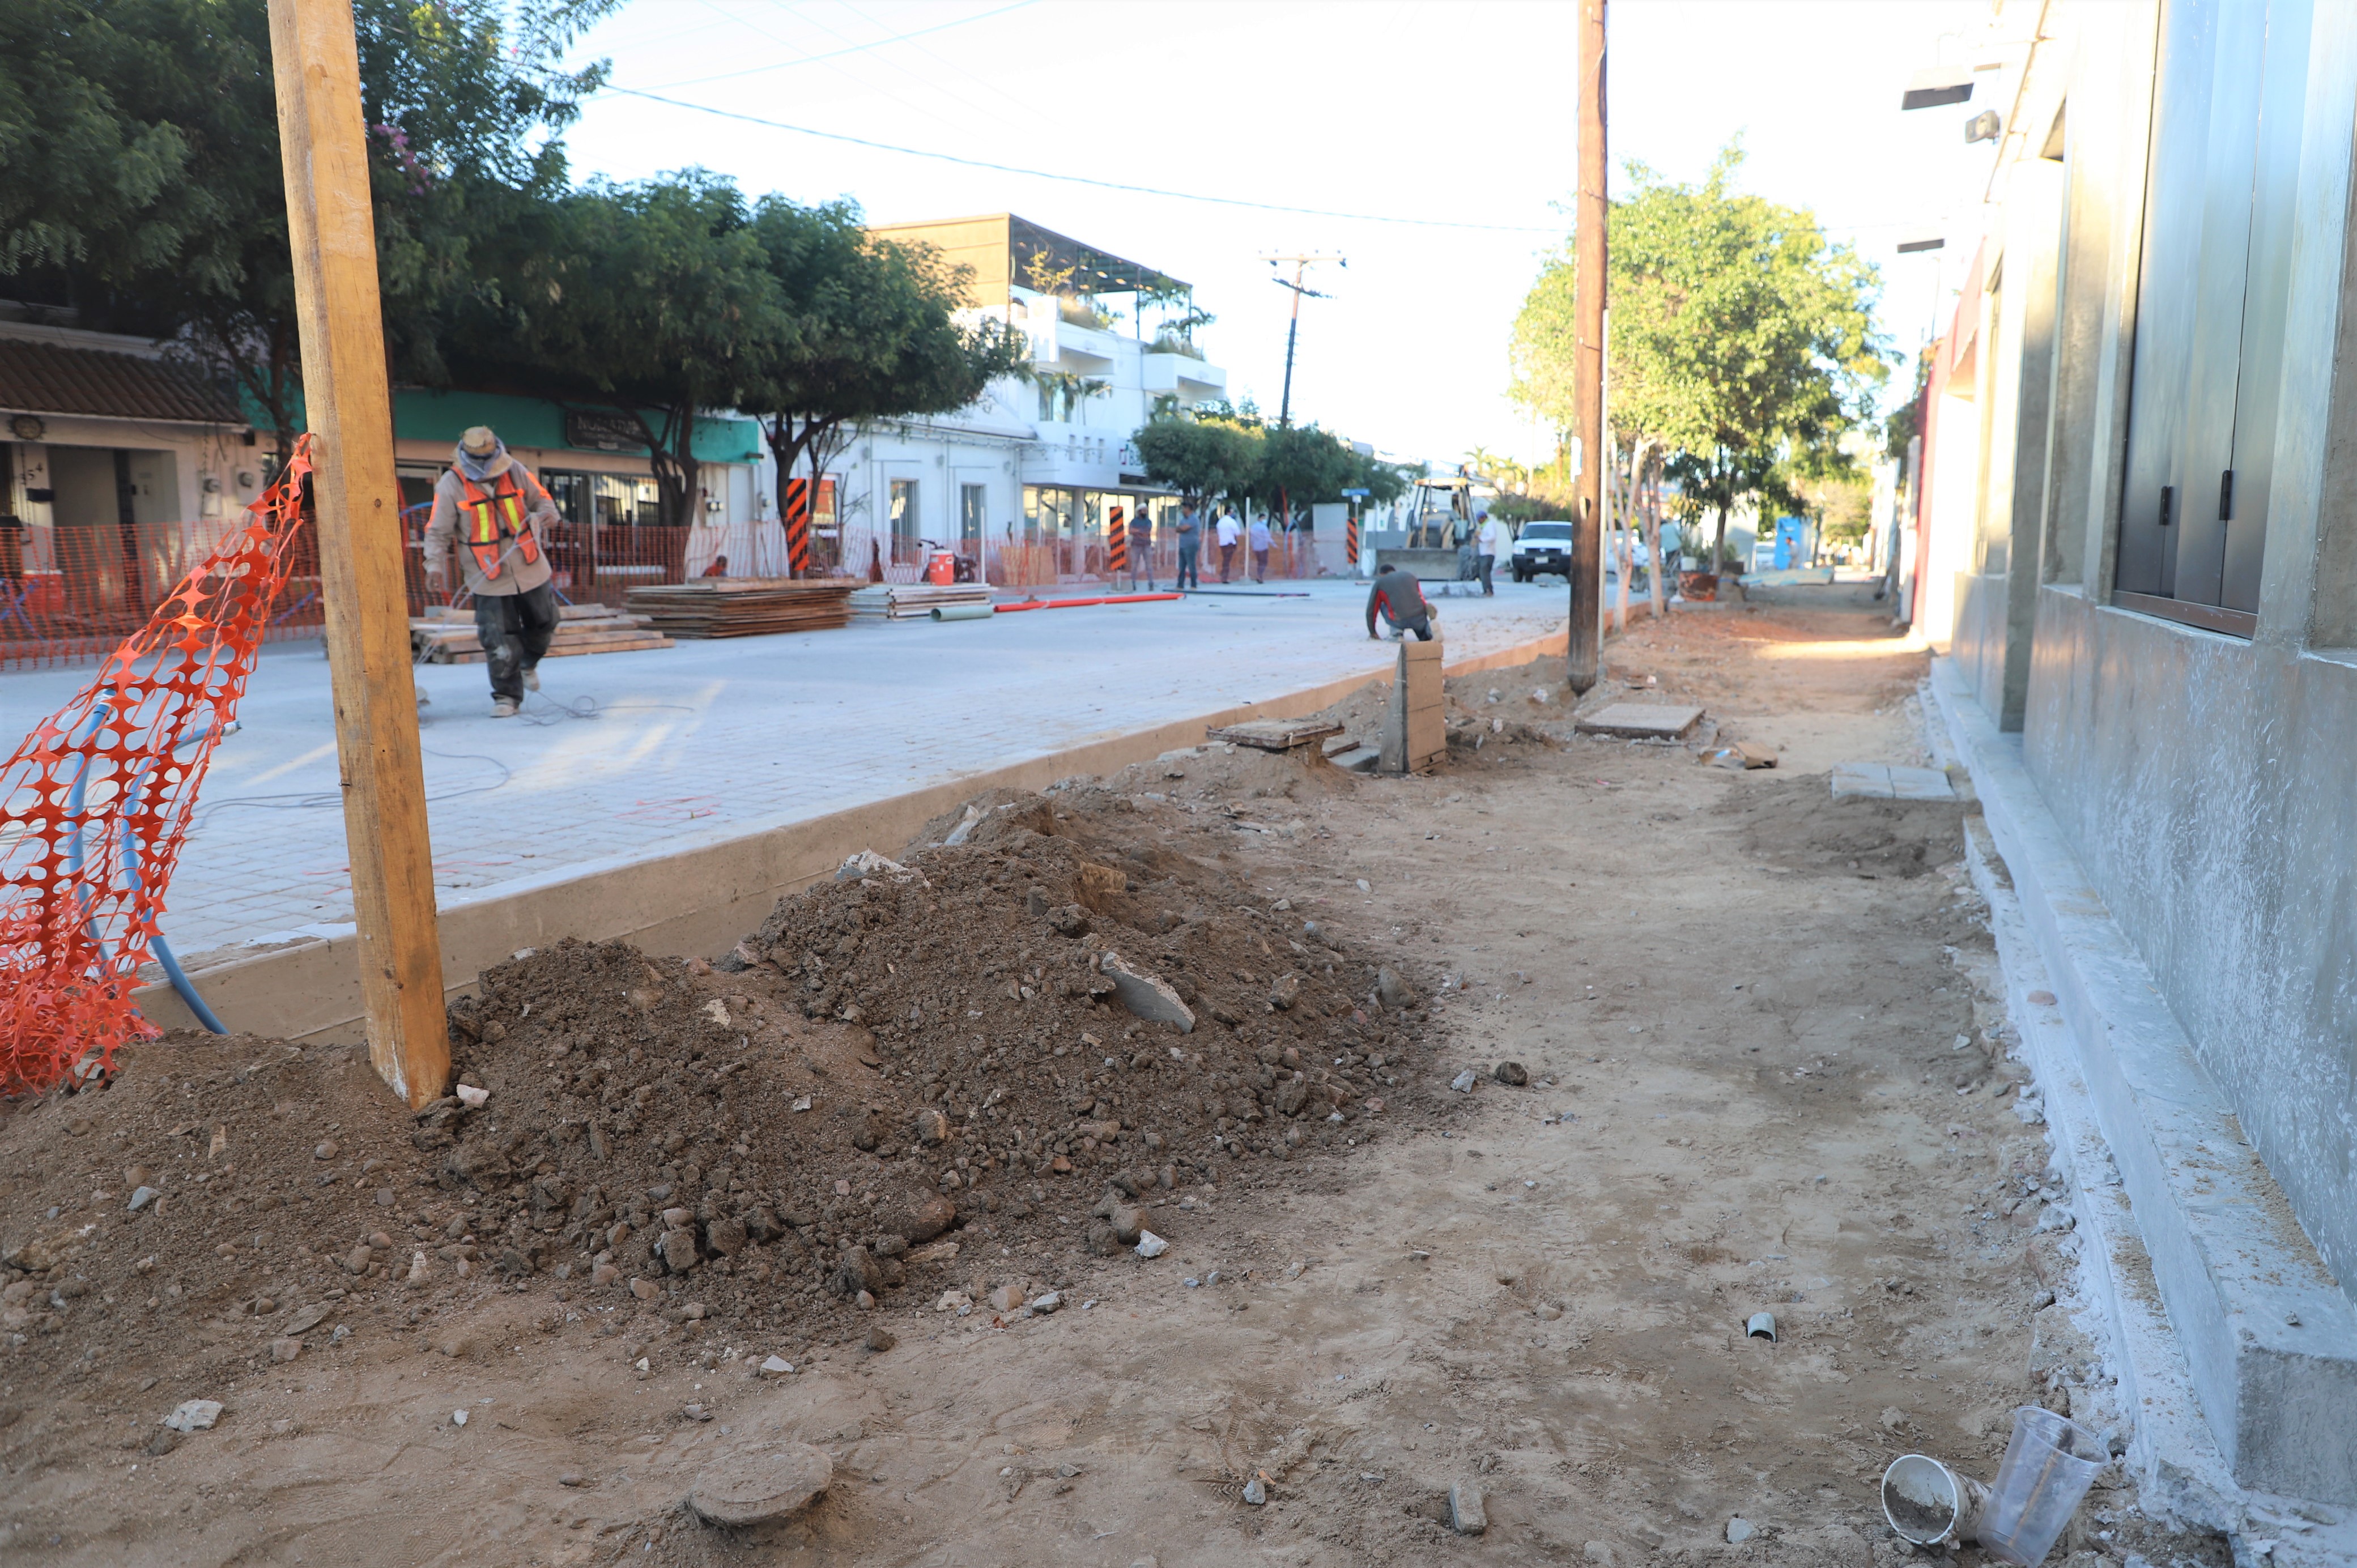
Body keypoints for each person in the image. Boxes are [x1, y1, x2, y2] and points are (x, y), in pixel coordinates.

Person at [423, 425, 561, 718]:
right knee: (498, 639)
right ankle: (507, 697)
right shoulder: (450, 485)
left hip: (530, 566)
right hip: (487, 575)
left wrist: (547, 514)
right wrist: (433, 565)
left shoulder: (516, 471)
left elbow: (543, 499)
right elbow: (437, 531)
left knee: (545, 621)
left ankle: (529, 662)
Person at [1365, 563, 1435, 641]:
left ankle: (1397, 632)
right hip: (1419, 619)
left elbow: (1372, 610)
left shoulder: (1380, 583)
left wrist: (1372, 632)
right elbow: (1421, 598)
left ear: (1381, 574)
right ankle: (1429, 631)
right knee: (1423, 634)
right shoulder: (1410, 576)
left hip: (1398, 620)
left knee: (1382, 605)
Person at [1172, 499, 1203, 591]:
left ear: (1188, 509)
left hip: (1191, 545)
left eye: (1184, 508)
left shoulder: (1193, 519)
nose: (1182, 510)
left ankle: (1194, 585)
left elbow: (1184, 528)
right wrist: (1180, 528)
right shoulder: (1184, 519)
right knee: (1182, 566)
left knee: (1191, 565)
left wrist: (1181, 528)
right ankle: (1180, 585)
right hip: (1182, 545)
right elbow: (1178, 529)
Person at [1475, 510, 1504, 595]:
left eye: (1479, 519)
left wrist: (1482, 540)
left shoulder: (1490, 525)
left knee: (1485, 571)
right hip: (1483, 553)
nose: (1478, 521)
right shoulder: (1483, 526)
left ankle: (1489, 590)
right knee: (1483, 572)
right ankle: (1486, 590)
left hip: (1489, 553)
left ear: (1484, 518)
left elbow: (1492, 537)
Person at [1126, 503, 1155, 591]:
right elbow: (1131, 531)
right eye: (1144, 510)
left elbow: (1146, 532)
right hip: (1136, 545)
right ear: (1140, 511)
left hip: (1146, 545)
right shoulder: (1134, 521)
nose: (1145, 512)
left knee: (1149, 565)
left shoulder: (1148, 521)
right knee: (1134, 565)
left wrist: (1137, 531)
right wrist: (1140, 531)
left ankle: (1151, 583)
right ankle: (1133, 583)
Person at [1215, 506, 1241, 582]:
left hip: (1222, 543)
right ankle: (1224, 577)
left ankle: (1224, 575)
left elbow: (1218, 531)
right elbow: (1238, 532)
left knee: (1225, 560)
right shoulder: (1231, 521)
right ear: (1229, 512)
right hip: (1230, 543)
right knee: (1227, 561)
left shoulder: (1220, 522)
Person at [1248, 510, 1272, 582]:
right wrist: (1274, 544)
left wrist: (1252, 545)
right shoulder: (1264, 527)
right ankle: (1260, 575)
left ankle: (1260, 575)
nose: (1264, 520)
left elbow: (1251, 538)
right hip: (1263, 547)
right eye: (1263, 518)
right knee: (1264, 562)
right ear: (1260, 518)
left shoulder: (1253, 527)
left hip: (1256, 548)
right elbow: (1267, 537)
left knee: (1259, 562)